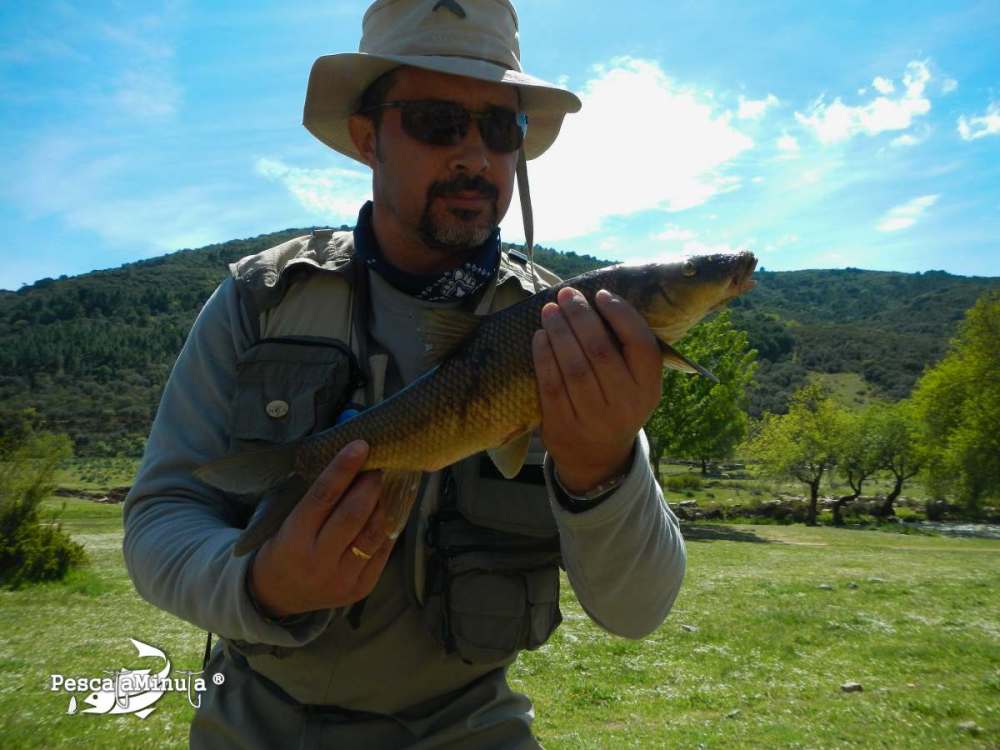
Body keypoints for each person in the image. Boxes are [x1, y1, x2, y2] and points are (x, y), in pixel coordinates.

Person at [122, 1, 686, 747]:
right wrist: (260, 589)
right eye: (435, 122)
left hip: (468, 728)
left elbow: (639, 609)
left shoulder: (570, 331)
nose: (475, 156)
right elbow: (162, 515)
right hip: (248, 722)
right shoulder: (260, 299)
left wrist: (604, 468)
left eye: (499, 128)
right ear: (366, 139)